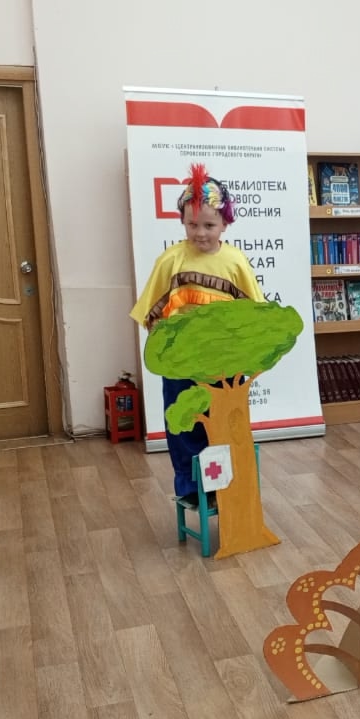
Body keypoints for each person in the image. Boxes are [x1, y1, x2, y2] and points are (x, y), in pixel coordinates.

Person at [129, 163, 265, 508]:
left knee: (224, 424)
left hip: (225, 364)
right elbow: (151, 313)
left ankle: (226, 487)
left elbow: (255, 314)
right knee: (185, 423)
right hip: (182, 363)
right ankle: (192, 486)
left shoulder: (235, 262)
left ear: (225, 224)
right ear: (182, 222)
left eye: (209, 225)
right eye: (192, 225)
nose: (200, 233)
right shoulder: (170, 261)